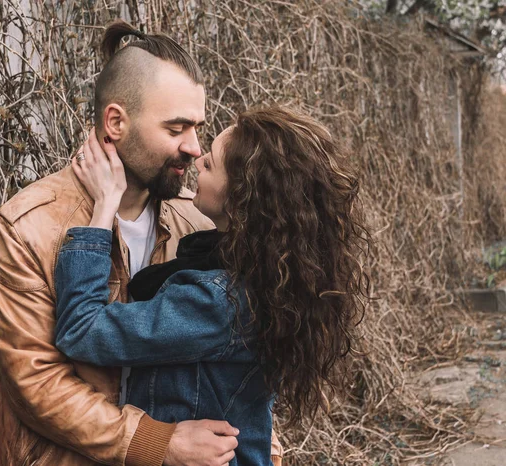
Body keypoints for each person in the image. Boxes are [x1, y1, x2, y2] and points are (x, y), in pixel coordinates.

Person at [0, 20, 277, 466]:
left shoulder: (193, 216)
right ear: (116, 122)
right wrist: (158, 443)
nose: (195, 148)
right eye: (177, 128)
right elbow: (37, 384)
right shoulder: (28, 226)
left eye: (197, 127)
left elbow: (243, 360)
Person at [53, 107, 371, 465]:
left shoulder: (219, 301)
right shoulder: (268, 278)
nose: (197, 158)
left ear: (244, 196)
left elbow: (81, 330)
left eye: (211, 163)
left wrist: (103, 210)